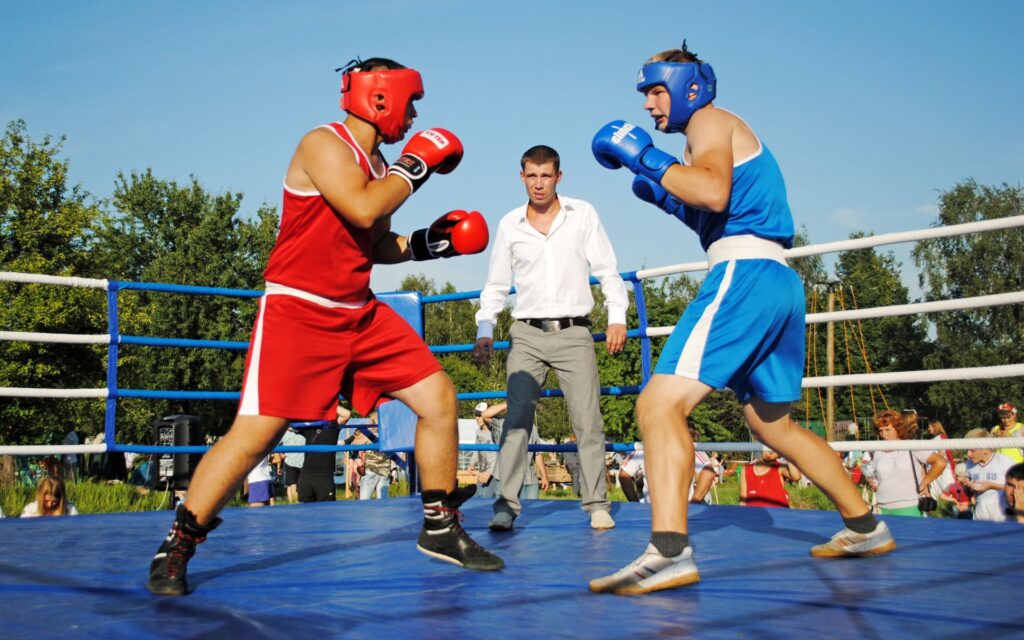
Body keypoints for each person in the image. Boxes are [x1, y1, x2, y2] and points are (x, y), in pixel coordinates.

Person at [145, 56, 502, 597]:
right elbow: (360, 209)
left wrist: (433, 241)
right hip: (299, 312)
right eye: (411, 103)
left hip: (358, 311)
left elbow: (376, 242)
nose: (413, 116)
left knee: (438, 397)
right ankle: (180, 541)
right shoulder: (324, 145)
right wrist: (417, 165)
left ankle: (438, 525)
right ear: (380, 97)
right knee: (254, 438)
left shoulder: (384, 166)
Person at [587, 41, 895, 596]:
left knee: (658, 404)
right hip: (776, 280)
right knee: (771, 425)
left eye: (657, 91)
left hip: (745, 275)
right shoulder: (709, 137)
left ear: (689, 87)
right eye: (645, 95)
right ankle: (865, 526)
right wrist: (665, 193)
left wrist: (646, 159)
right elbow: (721, 210)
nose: (649, 106)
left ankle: (669, 553)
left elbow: (712, 190)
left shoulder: (709, 121)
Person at [473, 144, 627, 532]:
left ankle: (596, 504)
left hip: (575, 332)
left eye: (546, 176)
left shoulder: (583, 214)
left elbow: (608, 268)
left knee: (588, 421)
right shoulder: (509, 224)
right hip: (525, 335)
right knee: (516, 421)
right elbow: (495, 282)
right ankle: (505, 505)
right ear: (521, 177)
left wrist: (617, 316)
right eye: (531, 175)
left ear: (559, 177)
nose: (538, 184)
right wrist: (485, 327)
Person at [861, 410, 947, 517]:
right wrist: (871, 480)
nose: (883, 434)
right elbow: (873, 475)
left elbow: (940, 462)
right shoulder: (878, 451)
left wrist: (924, 483)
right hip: (882, 506)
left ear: (898, 429)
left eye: (887, 429)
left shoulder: (911, 446)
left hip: (909, 505)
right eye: (880, 430)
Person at [963, 428, 1015, 522]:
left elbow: (1018, 487)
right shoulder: (969, 464)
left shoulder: (1004, 461)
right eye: (967, 450)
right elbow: (969, 493)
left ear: (986, 449)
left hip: (1002, 517)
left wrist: (991, 486)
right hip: (980, 516)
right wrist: (967, 487)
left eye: (972, 450)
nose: (968, 454)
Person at [359, 414, 392, 500]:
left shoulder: (368, 436)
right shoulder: (389, 435)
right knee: (382, 502)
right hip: (384, 470)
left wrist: (367, 430)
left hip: (372, 470)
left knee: (364, 501)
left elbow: (354, 443)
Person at [470, 402, 500, 499]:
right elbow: (477, 448)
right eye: (475, 415)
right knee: (479, 500)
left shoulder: (496, 432)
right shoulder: (478, 431)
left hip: (494, 474)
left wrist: (489, 472)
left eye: (479, 415)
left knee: (487, 502)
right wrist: (472, 463)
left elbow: (500, 454)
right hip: (482, 473)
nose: (477, 418)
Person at [280, 426, 305, 503]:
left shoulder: (285, 434)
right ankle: (295, 502)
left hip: (290, 461)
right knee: (294, 484)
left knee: (291, 484)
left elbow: (275, 442)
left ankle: (293, 502)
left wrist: (281, 453)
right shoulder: (303, 435)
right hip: (300, 461)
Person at [561, 432, 582, 497]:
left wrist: (560, 462)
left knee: (574, 478)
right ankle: (575, 494)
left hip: (568, 465)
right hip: (576, 464)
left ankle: (577, 492)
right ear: (575, 437)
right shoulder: (576, 445)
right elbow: (579, 456)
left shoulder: (564, 445)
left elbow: (561, 456)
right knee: (576, 479)